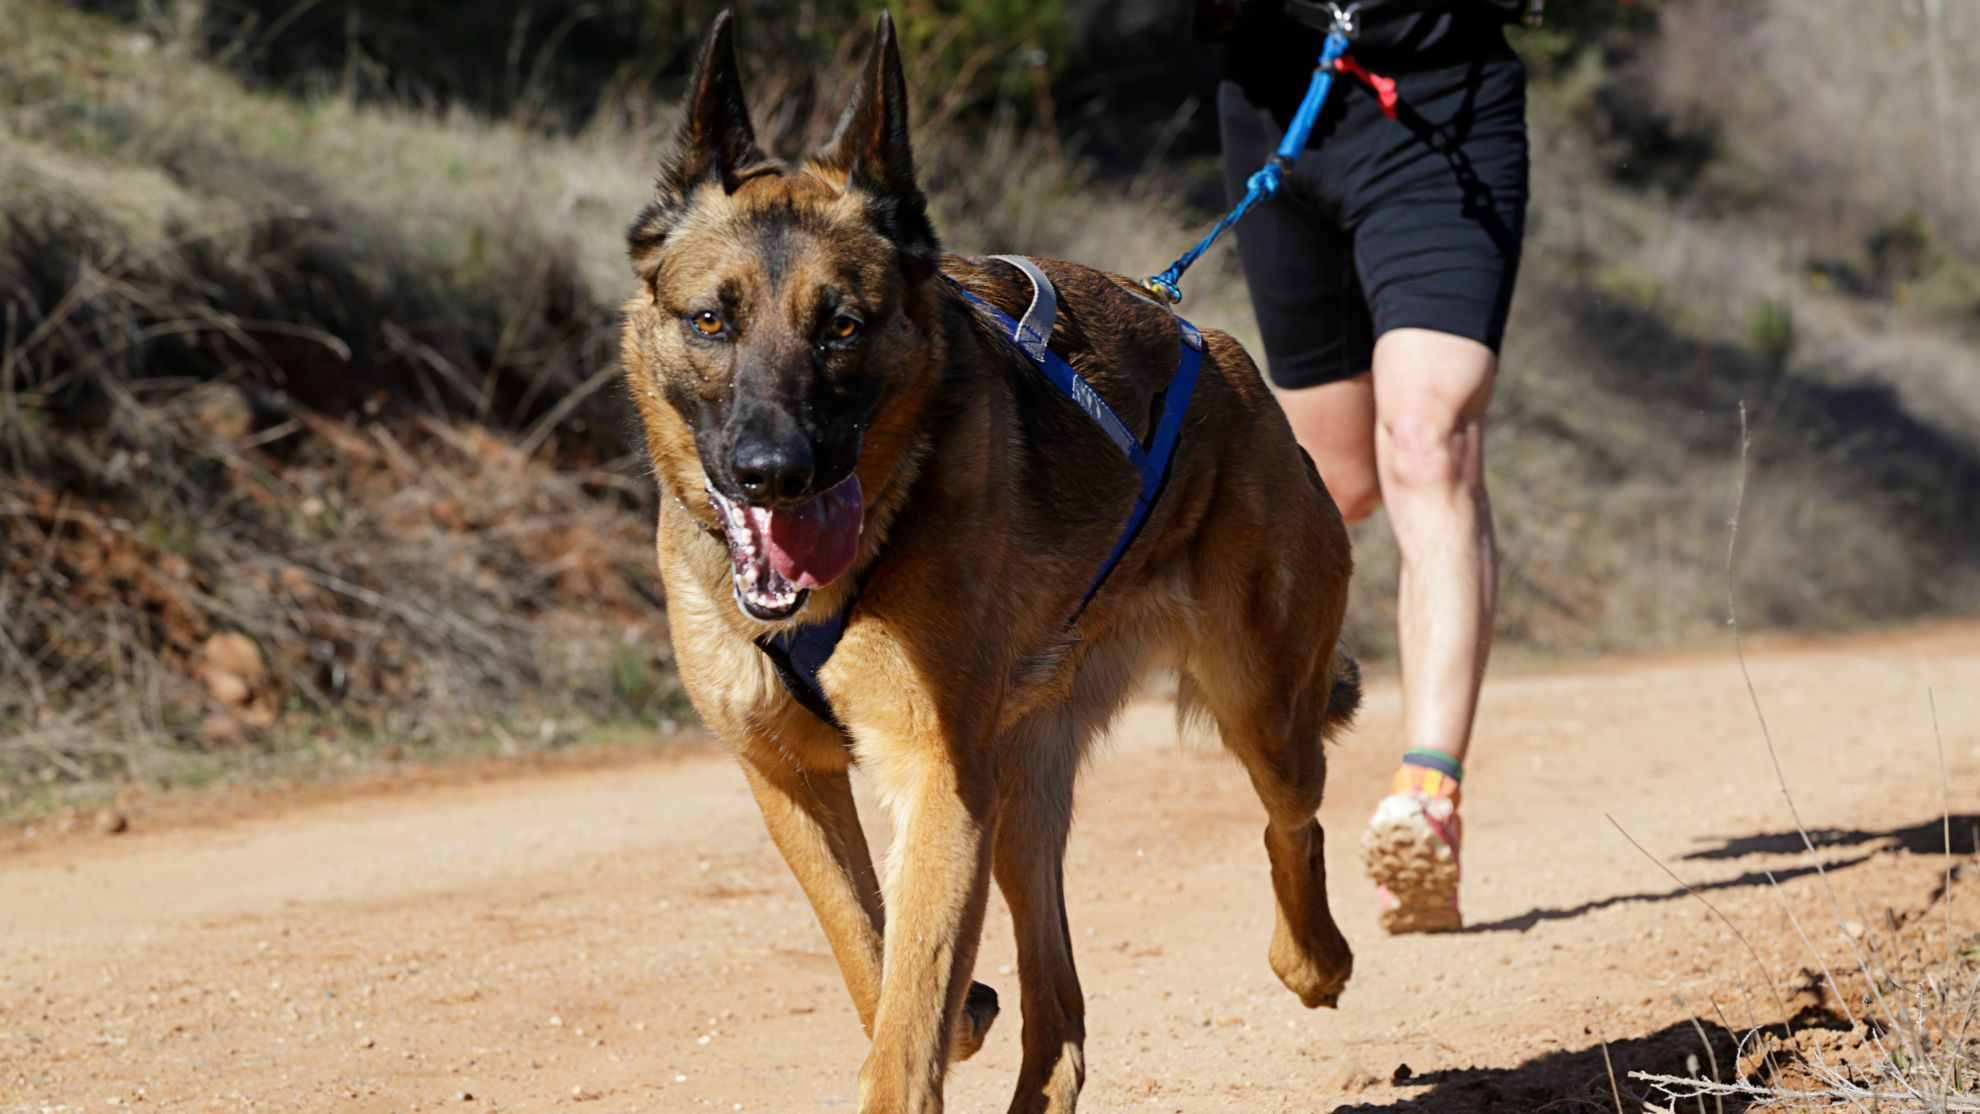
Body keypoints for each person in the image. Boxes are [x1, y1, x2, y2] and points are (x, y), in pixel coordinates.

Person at [1214, 0, 1534, 933]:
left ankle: (1428, 796)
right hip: (1278, 104)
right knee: (1332, 484)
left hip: (1441, 113)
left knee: (1429, 442)